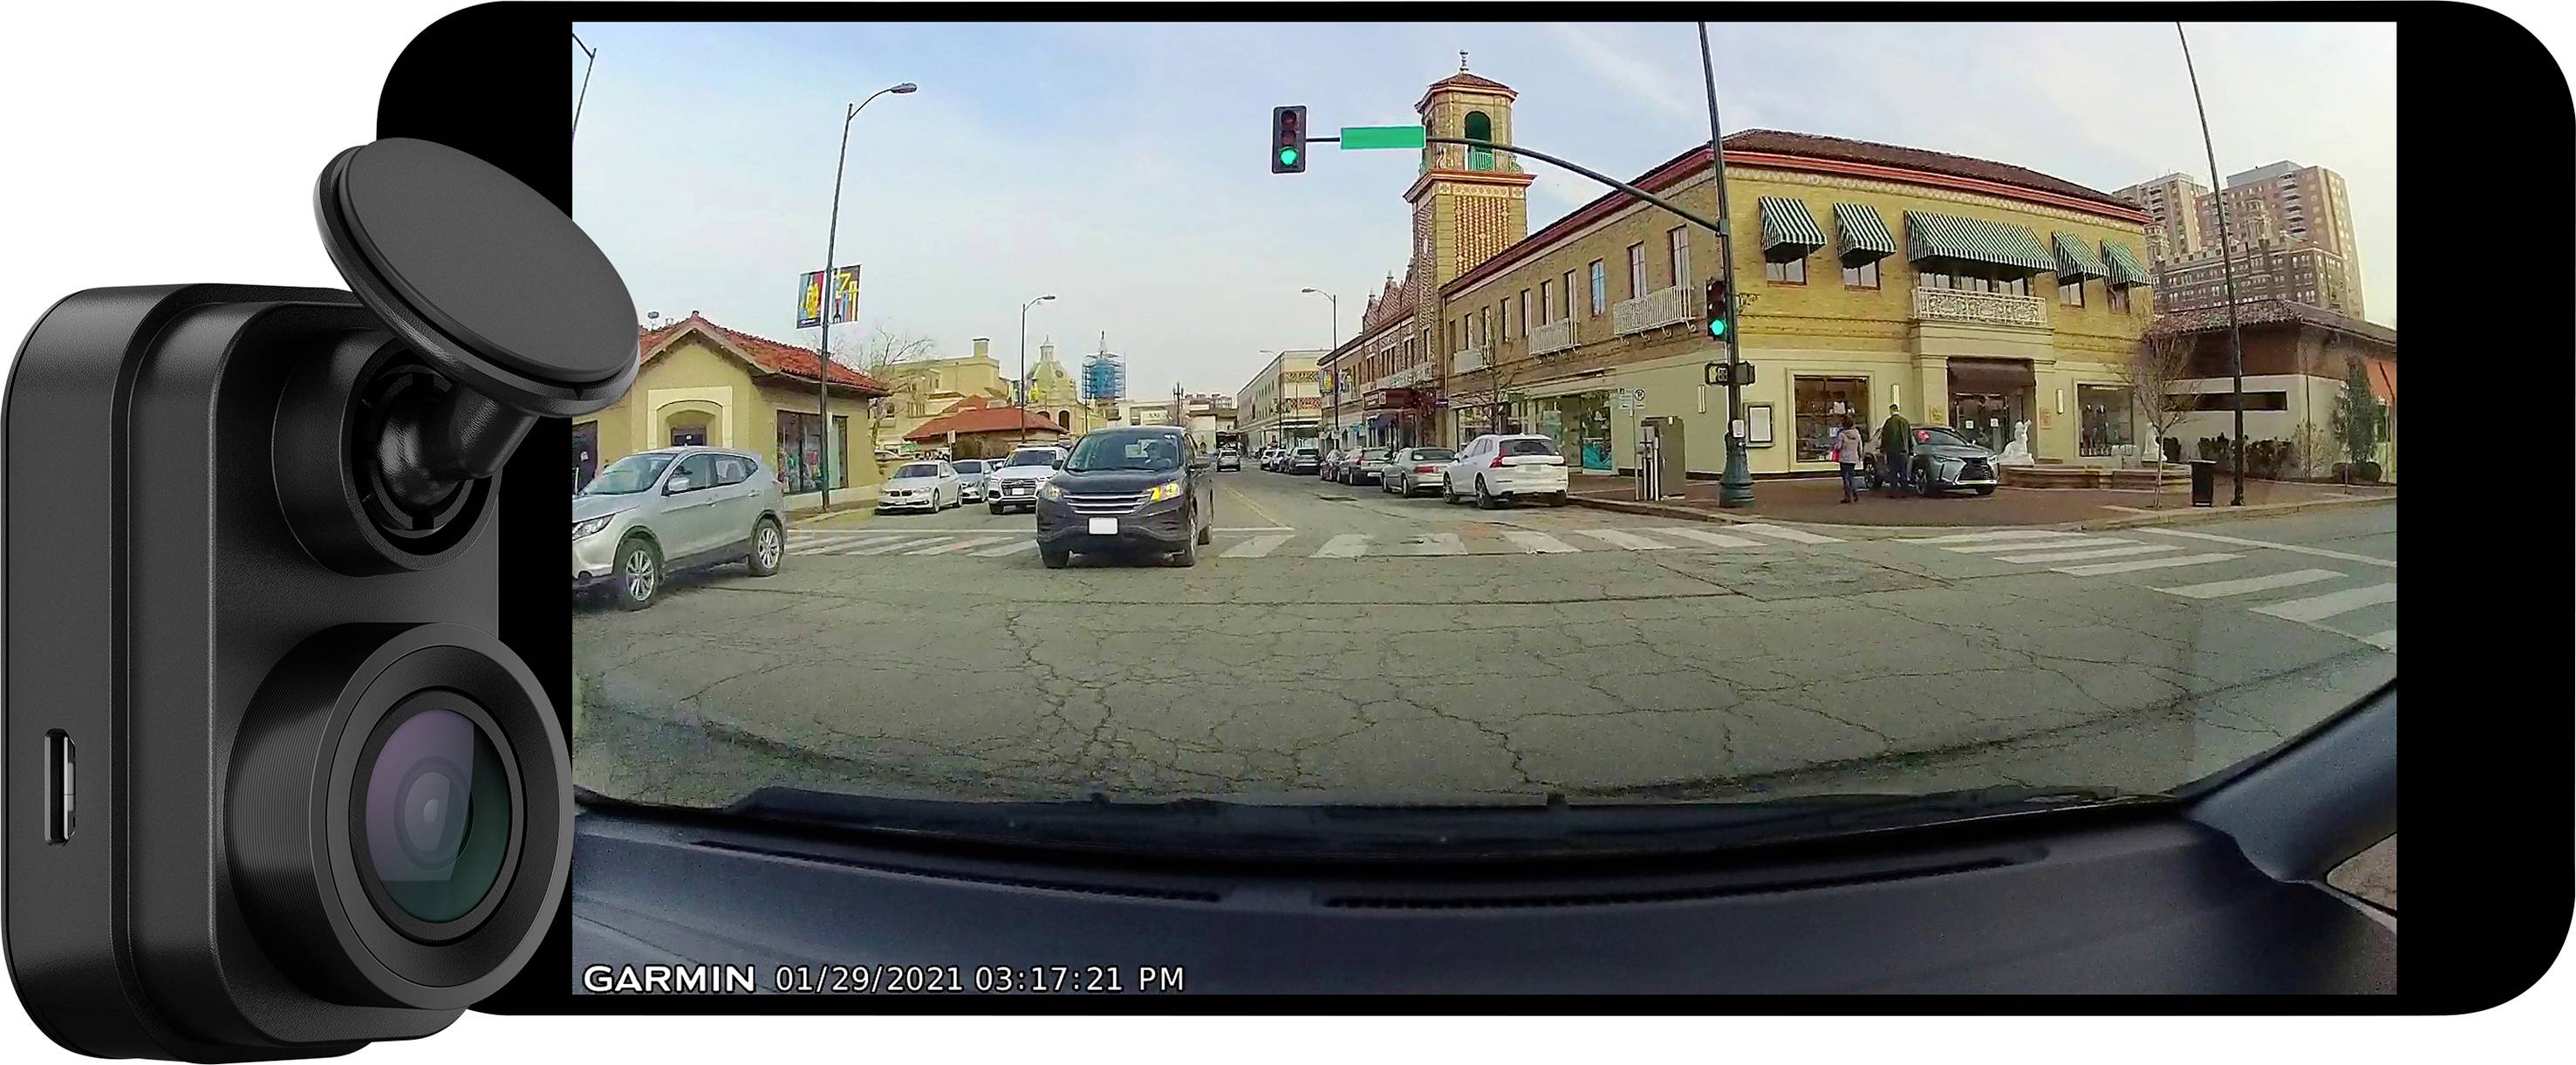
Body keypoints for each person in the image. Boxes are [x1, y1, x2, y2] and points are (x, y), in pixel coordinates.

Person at [1877, 404, 1913, 497]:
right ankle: (1905, 492)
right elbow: (1909, 437)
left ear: (1891, 410)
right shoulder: (1905, 422)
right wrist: (1911, 449)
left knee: (1893, 472)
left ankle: (1894, 492)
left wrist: (1883, 449)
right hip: (1904, 451)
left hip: (1892, 451)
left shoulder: (1888, 422)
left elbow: (1885, 437)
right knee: (1903, 473)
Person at [1834, 415, 1867, 503]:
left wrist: (1835, 446)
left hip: (1844, 458)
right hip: (1853, 457)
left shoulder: (1842, 435)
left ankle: (1847, 496)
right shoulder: (1857, 434)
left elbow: (1838, 446)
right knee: (1852, 477)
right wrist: (1860, 456)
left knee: (1845, 478)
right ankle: (1855, 494)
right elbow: (1860, 447)